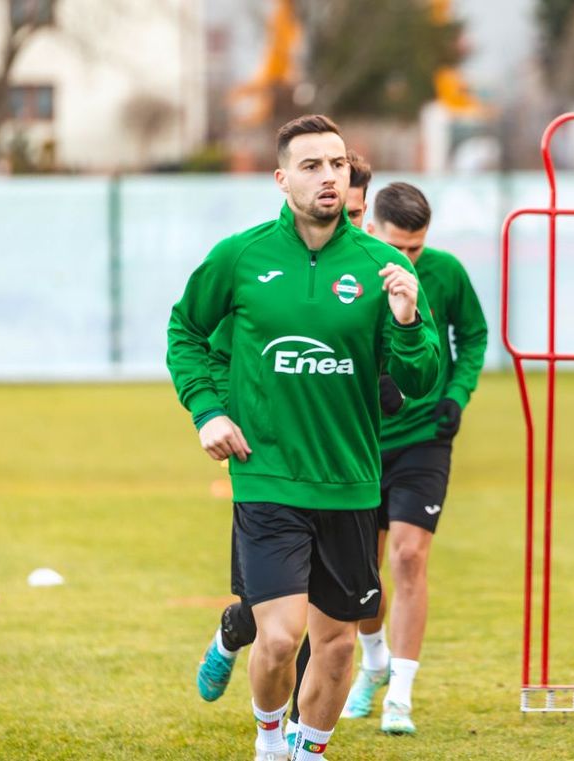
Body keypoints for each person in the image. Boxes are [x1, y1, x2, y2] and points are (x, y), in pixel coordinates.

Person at [167, 114, 440, 761]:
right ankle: (269, 740)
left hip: (350, 484)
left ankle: (308, 750)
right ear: (281, 178)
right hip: (268, 475)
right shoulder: (240, 256)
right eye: (312, 165)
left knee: (338, 645)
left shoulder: (382, 265)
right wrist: (207, 410)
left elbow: (420, 377)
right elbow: (186, 332)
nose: (328, 177)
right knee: (282, 637)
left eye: (337, 164)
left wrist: (407, 322)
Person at [339, 182, 488, 735]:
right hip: (361, 440)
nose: (407, 258)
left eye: (416, 247)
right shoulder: (348, 274)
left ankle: (399, 693)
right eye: (397, 247)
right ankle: (374, 660)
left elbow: (472, 336)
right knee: (362, 571)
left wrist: (456, 395)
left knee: (408, 557)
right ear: (371, 229)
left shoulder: (446, 273)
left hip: (425, 438)